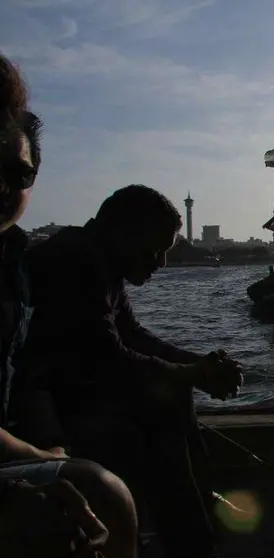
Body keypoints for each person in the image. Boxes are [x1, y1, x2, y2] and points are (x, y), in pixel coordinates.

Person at [16, 184, 245, 558]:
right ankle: (191, 535)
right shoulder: (76, 262)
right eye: (156, 250)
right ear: (121, 233)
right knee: (167, 398)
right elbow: (108, 357)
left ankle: (196, 510)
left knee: (172, 392)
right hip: (41, 409)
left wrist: (197, 364)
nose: (161, 263)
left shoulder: (99, 260)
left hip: (69, 392)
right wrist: (194, 374)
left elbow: (132, 334)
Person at [0, 52, 138, 557]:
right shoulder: (75, 260)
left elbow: (24, 370)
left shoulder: (14, 260)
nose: (5, 188)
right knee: (103, 491)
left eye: (18, 177)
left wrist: (45, 441)